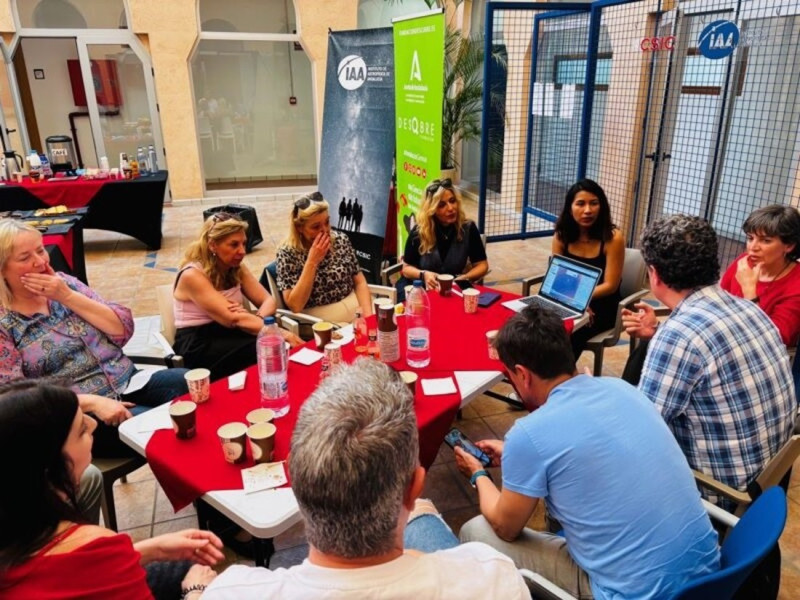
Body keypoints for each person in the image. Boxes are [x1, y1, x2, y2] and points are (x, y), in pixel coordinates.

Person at [202, 359, 529, 599]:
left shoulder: (230, 592)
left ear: (297, 486)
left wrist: (193, 588)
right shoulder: (493, 578)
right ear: (415, 487)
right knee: (423, 514)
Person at [456, 305, 720, 600]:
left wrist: (478, 474)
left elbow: (506, 527)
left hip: (630, 594)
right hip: (708, 578)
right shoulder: (623, 389)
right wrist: (515, 455)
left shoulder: (528, 434)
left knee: (476, 532)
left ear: (522, 374)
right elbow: (589, 451)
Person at [622, 215, 796, 511]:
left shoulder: (678, 336)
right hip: (762, 486)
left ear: (654, 274)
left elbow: (639, 432)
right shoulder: (752, 310)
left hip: (716, 496)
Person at [0, 380, 224, 600]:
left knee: (181, 565)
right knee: (197, 574)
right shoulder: (92, 546)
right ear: (51, 469)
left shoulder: (18, 529)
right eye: (81, 430)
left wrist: (154, 550)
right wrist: (196, 591)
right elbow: (89, 567)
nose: (94, 425)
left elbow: (71, 573)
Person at [0, 219, 188, 458]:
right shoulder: (5, 322)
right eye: (25, 258)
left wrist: (66, 296)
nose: (40, 262)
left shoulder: (65, 284)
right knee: (165, 431)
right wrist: (91, 402)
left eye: (40, 250)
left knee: (192, 387)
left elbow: (121, 327)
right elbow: (17, 398)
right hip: (76, 412)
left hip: (127, 381)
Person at [173, 212, 301, 381]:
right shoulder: (192, 275)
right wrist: (280, 333)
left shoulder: (236, 267)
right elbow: (233, 318)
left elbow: (269, 301)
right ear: (212, 245)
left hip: (231, 333)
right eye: (234, 244)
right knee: (271, 348)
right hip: (199, 342)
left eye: (243, 243)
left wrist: (257, 321)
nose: (242, 251)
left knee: (273, 347)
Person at [552, 179, 625, 359]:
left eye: (594, 203)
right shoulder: (561, 236)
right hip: (569, 299)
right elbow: (557, 278)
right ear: (570, 208)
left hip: (603, 305)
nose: (588, 210)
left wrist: (580, 301)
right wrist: (574, 302)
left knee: (570, 333)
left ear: (602, 207)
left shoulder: (613, 238)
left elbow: (611, 285)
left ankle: (561, 374)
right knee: (538, 326)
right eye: (580, 204)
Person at [276, 192, 373, 324]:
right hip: (321, 322)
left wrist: (368, 317)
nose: (325, 230)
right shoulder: (288, 253)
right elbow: (295, 305)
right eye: (316, 227)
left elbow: (360, 282)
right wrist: (312, 261)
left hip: (355, 311)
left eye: (327, 222)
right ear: (300, 228)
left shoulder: (340, 240)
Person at [720, 204, 800, 347]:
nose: (753, 247)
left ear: (789, 246)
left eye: (766, 240)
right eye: (750, 238)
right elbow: (719, 300)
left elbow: (777, 339)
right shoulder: (744, 262)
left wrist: (750, 291)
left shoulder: (796, 284)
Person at [401, 178, 488, 293]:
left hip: (453, 289)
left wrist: (464, 278)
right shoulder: (420, 231)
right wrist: (423, 274)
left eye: (452, 201)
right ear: (431, 210)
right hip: (421, 289)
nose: (451, 208)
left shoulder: (468, 228)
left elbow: (482, 265)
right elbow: (406, 269)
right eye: (442, 205)